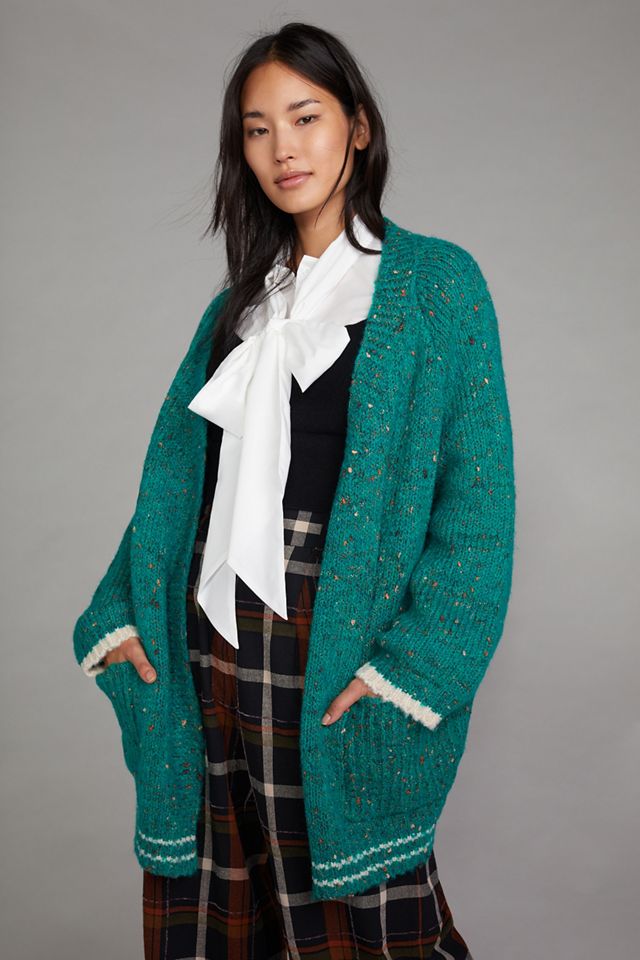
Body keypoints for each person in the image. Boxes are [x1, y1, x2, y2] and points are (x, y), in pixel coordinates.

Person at [72, 21, 516, 960]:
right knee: (221, 899)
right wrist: (118, 618)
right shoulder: (239, 306)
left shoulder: (436, 286)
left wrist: (409, 677)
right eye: (257, 128)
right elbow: (174, 488)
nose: (283, 148)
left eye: (305, 118)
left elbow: (477, 510)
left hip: (332, 626)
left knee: (359, 915)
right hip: (208, 630)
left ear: (358, 126)